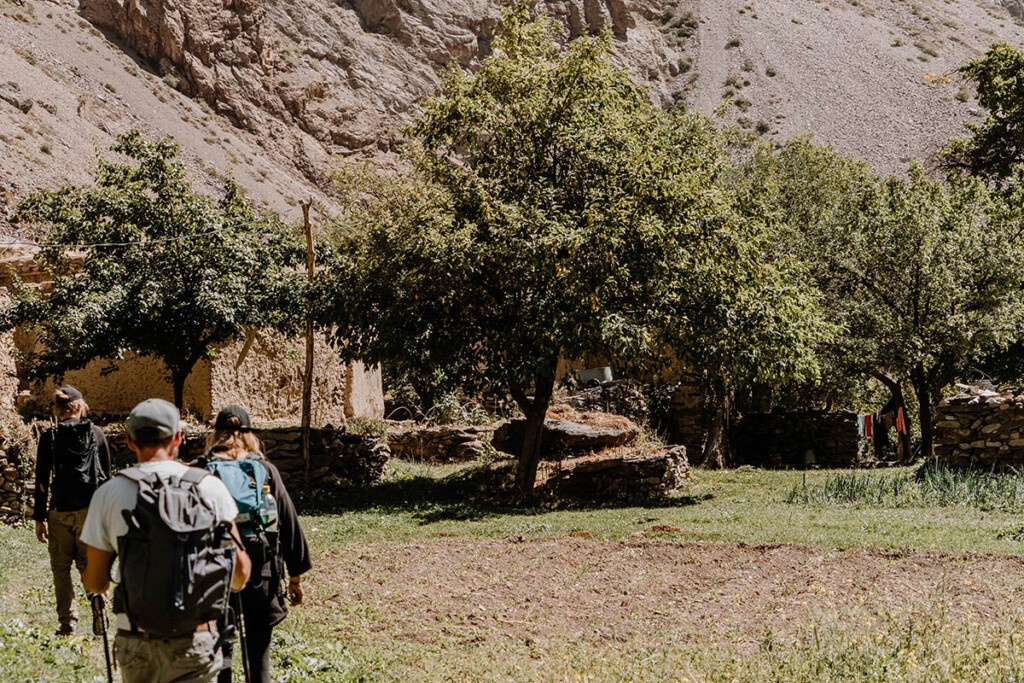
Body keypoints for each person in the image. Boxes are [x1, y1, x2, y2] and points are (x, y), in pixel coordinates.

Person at [81, 399, 252, 683]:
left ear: (130, 441)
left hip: (136, 640)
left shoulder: (108, 494)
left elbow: (95, 582)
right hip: (195, 640)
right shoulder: (209, 487)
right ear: (177, 438)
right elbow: (241, 574)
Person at [197, 405, 311, 683]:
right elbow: (289, 526)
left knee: (219, 653)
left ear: (216, 435)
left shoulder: (200, 471)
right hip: (262, 574)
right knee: (259, 652)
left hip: (215, 576)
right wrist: (294, 578)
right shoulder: (265, 471)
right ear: (249, 435)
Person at [32, 385, 111, 636]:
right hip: (90, 510)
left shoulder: (50, 437)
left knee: (61, 567)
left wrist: (39, 518)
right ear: (79, 407)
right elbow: (107, 477)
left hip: (59, 511)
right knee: (89, 564)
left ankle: (67, 623)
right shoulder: (96, 433)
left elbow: (42, 479)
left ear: (58, 409)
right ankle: (98, 601)